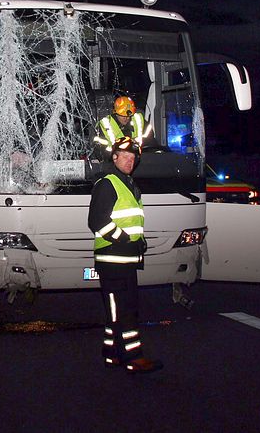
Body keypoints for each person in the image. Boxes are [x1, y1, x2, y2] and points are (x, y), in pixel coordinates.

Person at [87, 137, 162, 374]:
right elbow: (97, 221)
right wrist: (125, 239)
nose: (130, 161)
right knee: (126, 310)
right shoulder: (108, 183)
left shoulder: (127, 183)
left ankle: (111, 353)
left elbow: (129, 221)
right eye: (125, 157)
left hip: (125, 260)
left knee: (117, 311)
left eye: (133, 158)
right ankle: (133, 357)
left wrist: (139, 241)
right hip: (113, 260)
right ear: (114, 157)